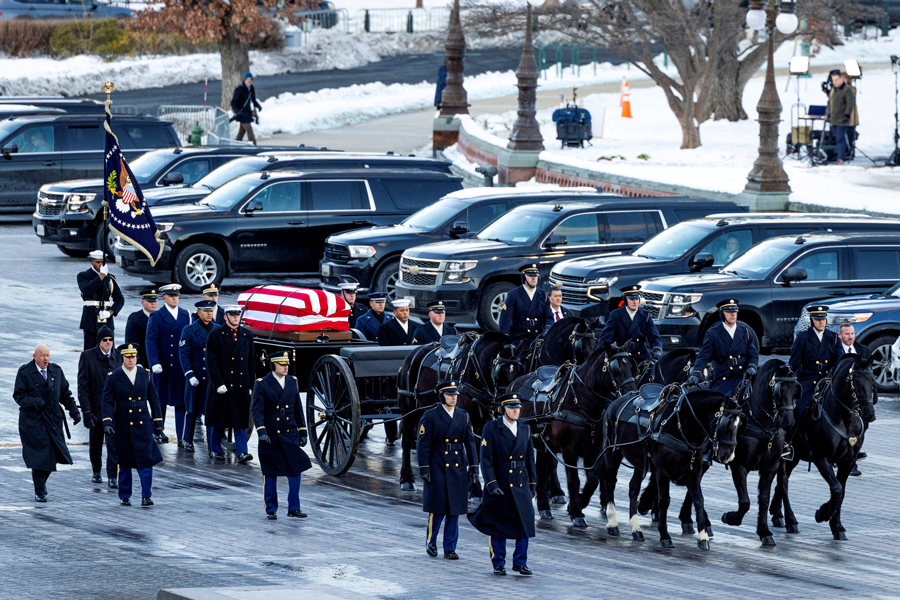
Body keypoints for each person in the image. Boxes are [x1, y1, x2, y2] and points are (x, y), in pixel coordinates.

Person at [468, 394, 536, 576]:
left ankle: (520, 562)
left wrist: (533, 484)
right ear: (502, 409)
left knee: (525, 524)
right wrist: (491, 484)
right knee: (497, 525)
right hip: (500, 482)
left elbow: (530, 458)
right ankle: (498, 562)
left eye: (518, 407)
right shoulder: (491, 428)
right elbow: (486, 459)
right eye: (511, 407)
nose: (516, 410)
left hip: (520, 482)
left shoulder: (525, 428)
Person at [417, 380, 477, 560]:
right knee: (438, 509)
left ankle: (450, 547)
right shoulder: (431, 415)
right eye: (450, 395)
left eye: (455, 395)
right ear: (442, 396)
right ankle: (431, 541)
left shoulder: (463, 415)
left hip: (458, 466)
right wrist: (424, 468)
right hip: (437, 465)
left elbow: (471, 444)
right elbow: (423, 444)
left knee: (455, 510)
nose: (454, 398)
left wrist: (474, 469)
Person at [13, 344, 81, 502]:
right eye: (42, 356)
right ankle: (39, 490)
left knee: (53, 454)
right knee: (39, 455)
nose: (46, 359)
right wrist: (35, 401)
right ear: (34, 356)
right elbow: (19, 396)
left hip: (53, 419)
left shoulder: (56, 371)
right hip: (33, 421)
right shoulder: (24, 372)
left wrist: (74, 412)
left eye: (48, 355)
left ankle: (41, 482)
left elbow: (65, 394)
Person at [251, 351, 312, 520]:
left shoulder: (292, 382)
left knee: (295, 470)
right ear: (273, 365)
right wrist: (261, 431)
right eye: (282, 364)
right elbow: (256, 410)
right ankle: (271, 508)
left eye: (287, 364)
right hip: (271, 434)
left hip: (289, 432)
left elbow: (298, 408)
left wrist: (302, 431)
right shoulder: (262, 384)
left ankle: (294, 507)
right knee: (270, 472)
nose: (286, 367)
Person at [101, 343, 164, 507]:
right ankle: (125, 495)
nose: (131, 360)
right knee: (124, 462)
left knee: (146, 460)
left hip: (142, 423)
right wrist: (107, 421)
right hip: (123, 423)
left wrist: (158, 422)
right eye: (128, 357)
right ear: (123, 357)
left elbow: (153, 398)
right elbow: (107, 401)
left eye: (133, 356)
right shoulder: (113, 376)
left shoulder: (145, 374)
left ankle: (146, 495)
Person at [787, 305, 841, 459]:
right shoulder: (803, 337)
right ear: (812, 320)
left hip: (827, 380)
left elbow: (839, 361)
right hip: (808, 380)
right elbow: (794, 363)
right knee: (798, 409)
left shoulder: (833, 337)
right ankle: (789, 444)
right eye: (817, 319)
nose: (821, 322)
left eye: (823, 319)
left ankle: (851, 445)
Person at [206, 305, 255, 462]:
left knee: (240, 420)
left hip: (240, 385)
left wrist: (250, 385)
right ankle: (215, 449)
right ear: (225, 316)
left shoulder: (247, 335)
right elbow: (211, 362)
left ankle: (242, 451)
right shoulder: (216, 335)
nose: (235, 318)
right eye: (232, 315)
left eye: (237, 315)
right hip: (223, 384)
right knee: (219, 419)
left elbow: (250, 362)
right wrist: (217, 383)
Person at [76, 325, 121, 488]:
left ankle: (112, 476)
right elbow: (83, 386)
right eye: (105, 340)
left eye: (110, 340)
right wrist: (86, 411)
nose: (108, 343)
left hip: (114, 410)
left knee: (113, 444)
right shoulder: (87, 357)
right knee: (95, 443)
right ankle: (96, 470)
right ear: (99, 341)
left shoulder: (118, 357)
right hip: (95, 407)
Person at [146, 284, 190, 446]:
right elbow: (151, 340)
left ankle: (182, 437)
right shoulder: (156, 316)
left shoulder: (185, 315)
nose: (175, 298)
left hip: (179, 366)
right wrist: (154, 362)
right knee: (160, 401)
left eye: (177, 296)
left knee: (181, 403)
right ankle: (157, 430)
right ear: (164, 298)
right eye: (171, 296)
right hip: (163, 365)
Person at [687, 299, 758, 396]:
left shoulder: (745, 331)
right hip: (725, 377)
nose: (733, 314)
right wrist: (696, 374)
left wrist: (752, 367)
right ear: (722, 314)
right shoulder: (713, 333)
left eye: (734, 312)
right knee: (722, 403)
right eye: (729, 312)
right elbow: (704, 356)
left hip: (744, 375)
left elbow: (753, 354)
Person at [179, 300, 221, 453]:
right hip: (195, 376)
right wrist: (189, 374)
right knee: (191, 409)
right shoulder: (189, 330)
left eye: (211, 310)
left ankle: (212, 444)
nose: (209, 313)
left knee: (211, 411)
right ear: (198, 312)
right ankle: (187, 440)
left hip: (211, 378)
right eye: (206, 310)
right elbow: (184, 355)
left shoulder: (217, 329)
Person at [598, 285, 662, 365]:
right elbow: (606, 338)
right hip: (622, 355)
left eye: (636, 299)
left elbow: (654, 337)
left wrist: (657, 350)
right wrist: (598, 355)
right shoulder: (616, 315)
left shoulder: (645, 315)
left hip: (642, 356)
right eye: (631, 299)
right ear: (625, 300)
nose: (635, 302)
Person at [838, 321, 870, 476]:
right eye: (846, 334)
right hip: (840, 396)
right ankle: (851, 461)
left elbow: (868, 377)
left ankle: (854, 453)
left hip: (859, 397)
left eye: (852, 334)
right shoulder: (835, 349)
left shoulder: (863, 350)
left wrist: (872, 398)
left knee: (860, 426)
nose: (850, 337)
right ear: (840, 335)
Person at [498, 264, 554, 351]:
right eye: (530, 275)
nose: (534, 278)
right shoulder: (513, 295)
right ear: (524, 277)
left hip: (538, 338)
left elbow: (549, 317)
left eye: (535, 276)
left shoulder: (543, 295)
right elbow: (505, 320)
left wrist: (547, 331)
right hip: (519, 338)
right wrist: (505, 339)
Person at [78, 250, 125, 350]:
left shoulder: (110, 278)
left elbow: (119, 299)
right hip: (91, 319)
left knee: (109, 350)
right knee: (90, 351)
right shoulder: (83, 276)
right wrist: (101, 276)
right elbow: (87, 290)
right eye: (97, 262)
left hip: (106, 319)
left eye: (102, 262)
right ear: (92, 262)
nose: (100, 265)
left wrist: (110, 312)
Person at [826, 69, 856, 165]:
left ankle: (841, 158)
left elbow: (850, 103)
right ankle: (839, 156)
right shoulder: (833, 90)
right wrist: (828, 115)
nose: (835, 82)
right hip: (833, 119)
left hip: (842, 120)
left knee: (840, 139)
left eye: (837, 80)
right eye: (833, 80)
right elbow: (829, 103)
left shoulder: (847, 89)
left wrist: (846, 115)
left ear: (841, 79)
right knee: (836, 138)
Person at [125, 290, 158, 370]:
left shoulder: (161, 317)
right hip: (143, 361)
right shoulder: (135, 318)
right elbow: (131, 342)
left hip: (158, 361)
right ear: (142, 302)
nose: (153, 303)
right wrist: (137, 362)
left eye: (154, 301)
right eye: (149, 301)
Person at [231, 72, 262, 145]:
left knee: (241, 132)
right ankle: (254, 147)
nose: (249, 81)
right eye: (248, 79)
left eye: (251, 79)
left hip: (248, 113)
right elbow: (233, 102)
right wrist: (237, 111)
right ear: (245, 80)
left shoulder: (251, 89)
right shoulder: (240, 89)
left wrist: (258, 106)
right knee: (249, 131)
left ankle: (236, 145)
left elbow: (253, 99)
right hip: (242, 114)